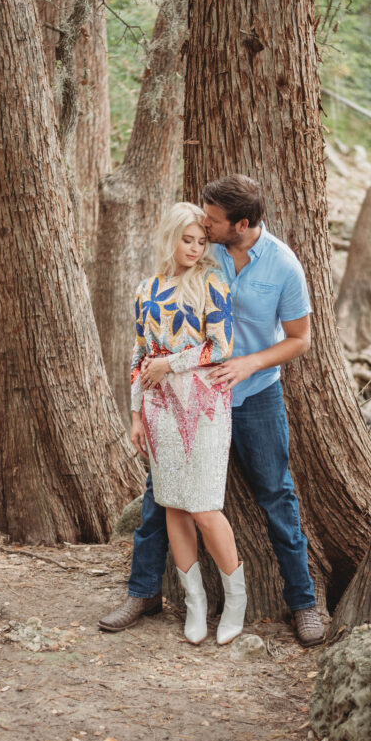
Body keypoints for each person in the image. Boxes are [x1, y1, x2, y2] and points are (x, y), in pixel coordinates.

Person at [100, 175, 325, 647]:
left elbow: (300, 340)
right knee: (159, 501)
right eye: (199, 223)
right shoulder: (205, 253)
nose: (204, 226)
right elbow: (152, 329)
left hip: (254, 394)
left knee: (276, 494)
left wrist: (248, 363)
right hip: (182, 401)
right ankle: (143, 592)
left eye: (213, 222)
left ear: (240, 225)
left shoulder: (284, 267)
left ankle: (303, 603)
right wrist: (140, 407)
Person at [125, 201, 246, 646]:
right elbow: (139, 355)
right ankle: (195, 604)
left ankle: (236, 602)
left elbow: (222, 346)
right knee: (174, 505)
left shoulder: (212, 283)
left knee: (205, 508)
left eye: (201, 241)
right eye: (187, 239)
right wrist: (135, 413)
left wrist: (172, 364)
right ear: (170, 238)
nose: (195, 248)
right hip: (158, 410)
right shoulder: (147, 288)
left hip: (205, 404)